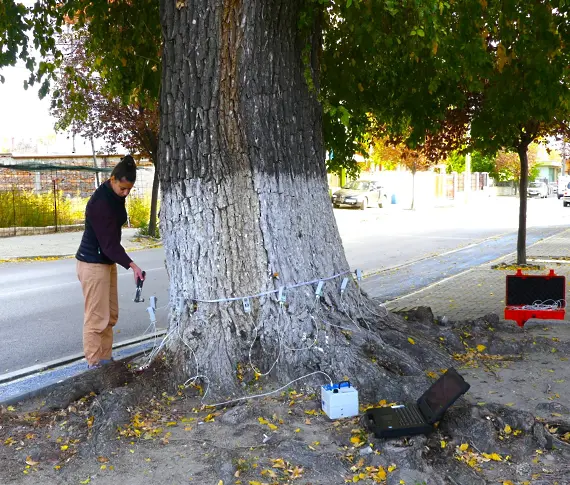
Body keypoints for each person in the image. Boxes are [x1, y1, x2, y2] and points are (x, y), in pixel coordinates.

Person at [76, 155, 145, 368]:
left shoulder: (115, 197)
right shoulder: (99, 203)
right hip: (92, 263)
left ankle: (106, 360)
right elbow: (108, 244)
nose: (125, 193)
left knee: (110, 315)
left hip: (106, 262)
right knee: (96, 318)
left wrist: (126, 263)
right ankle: (94, 364)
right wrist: (132, 265)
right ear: (112, 179)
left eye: (129, 190)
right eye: (122, 188)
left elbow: (111, 243)